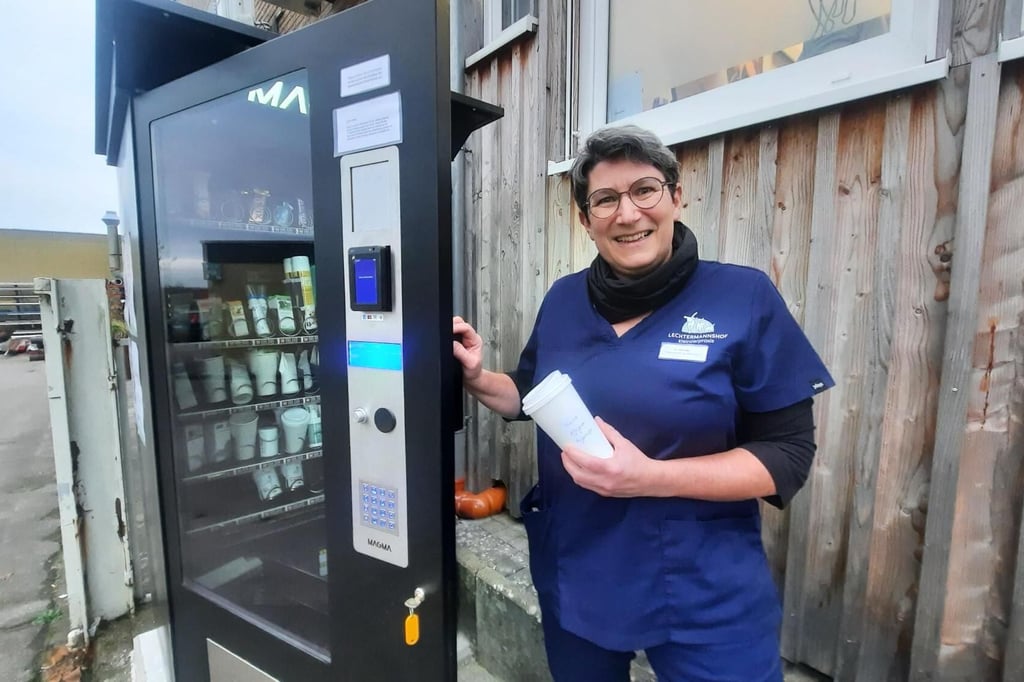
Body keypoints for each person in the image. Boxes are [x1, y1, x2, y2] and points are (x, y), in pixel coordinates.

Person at [452, 124, 834, 682]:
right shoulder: (563, 299)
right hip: (580, 569)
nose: (627, 214)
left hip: (703, 587)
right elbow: (532, 395)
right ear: (586, 220)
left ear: (676, 197)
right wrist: (479, 377)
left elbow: (787, 455)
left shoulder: (742, 297)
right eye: (605, 199)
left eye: (645, 190)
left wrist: (650, 477)